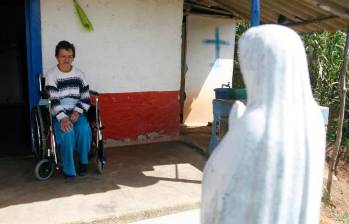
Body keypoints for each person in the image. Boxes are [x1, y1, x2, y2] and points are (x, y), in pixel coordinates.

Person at [45, 40, 92, 179]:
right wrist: (63, 117)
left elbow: (85, 98)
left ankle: (83, 162)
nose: (66, 59)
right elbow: (53, 100)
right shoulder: (51, 75)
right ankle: (69, 169)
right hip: (60, 114)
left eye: (69, 56)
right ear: (57, 57)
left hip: (76, 112)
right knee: (67, 131)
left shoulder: (80, 75)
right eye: (63, 56)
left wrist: (77, 112)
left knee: (84, 128)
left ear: (73, 57)